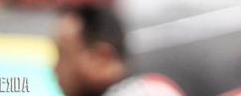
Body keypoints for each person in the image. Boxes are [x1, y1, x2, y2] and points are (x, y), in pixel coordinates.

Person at [53, 5, 184, 96]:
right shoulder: (154, 87)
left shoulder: (149, 91)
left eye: (62, 54)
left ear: (102, 58)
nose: (55, 68)